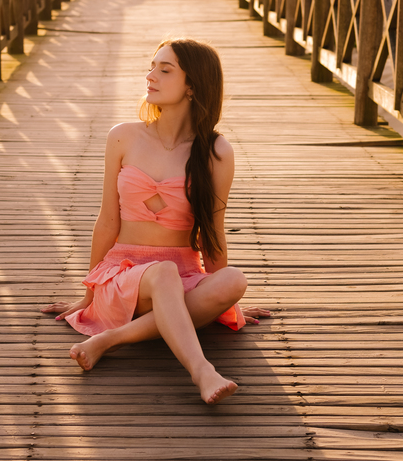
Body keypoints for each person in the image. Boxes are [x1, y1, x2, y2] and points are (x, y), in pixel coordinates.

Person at [41, 38, 269, 404]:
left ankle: (110, 339)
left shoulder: (215, 151)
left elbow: (212, 233)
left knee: (234, 280)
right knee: (162, 273)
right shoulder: (123, 136)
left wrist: (227, 301)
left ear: (192, 86)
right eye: (152, 67)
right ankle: (203, 372)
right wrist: (87, 295)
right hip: (123, 273)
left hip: (182, 274)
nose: (150, 77)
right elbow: (107, 220)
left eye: (165, 70)